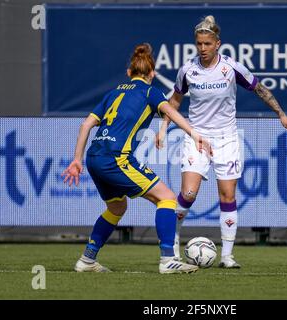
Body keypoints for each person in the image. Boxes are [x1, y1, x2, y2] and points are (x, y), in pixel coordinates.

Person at [156, 16, 287, 268]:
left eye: (207, 44)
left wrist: (281, 114)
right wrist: (163, 127)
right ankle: (173, 247)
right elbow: (174, 101)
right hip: (196, 137)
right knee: (188, 193)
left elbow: (260, 89)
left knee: (228, 195)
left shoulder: (231, 68)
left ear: (217, 43)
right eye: (199, 44)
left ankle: (227, 256)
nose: (202, 48)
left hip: (227, 138)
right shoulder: (188, 70)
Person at [61, 43, 212, 274]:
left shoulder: (113, 93)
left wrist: (76, 160)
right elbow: (171, 111)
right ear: (152, 74)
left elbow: (86, 125)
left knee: (117, 207)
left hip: (93, 157)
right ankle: (167, 260)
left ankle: (87, 260)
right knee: (167, 198)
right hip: (116, 159)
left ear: (129, 73)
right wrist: (195, 134)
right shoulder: (151, 92)